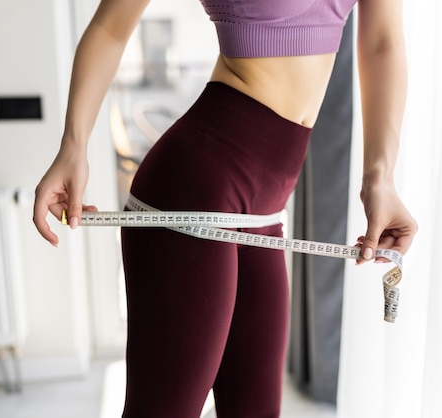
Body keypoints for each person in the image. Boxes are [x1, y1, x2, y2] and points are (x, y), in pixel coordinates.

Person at [33, 0, 418, 416]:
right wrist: (73, 146)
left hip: (265, 212)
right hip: (194, 193)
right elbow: (111, 27)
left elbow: (382, 42)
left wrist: (380, 177)